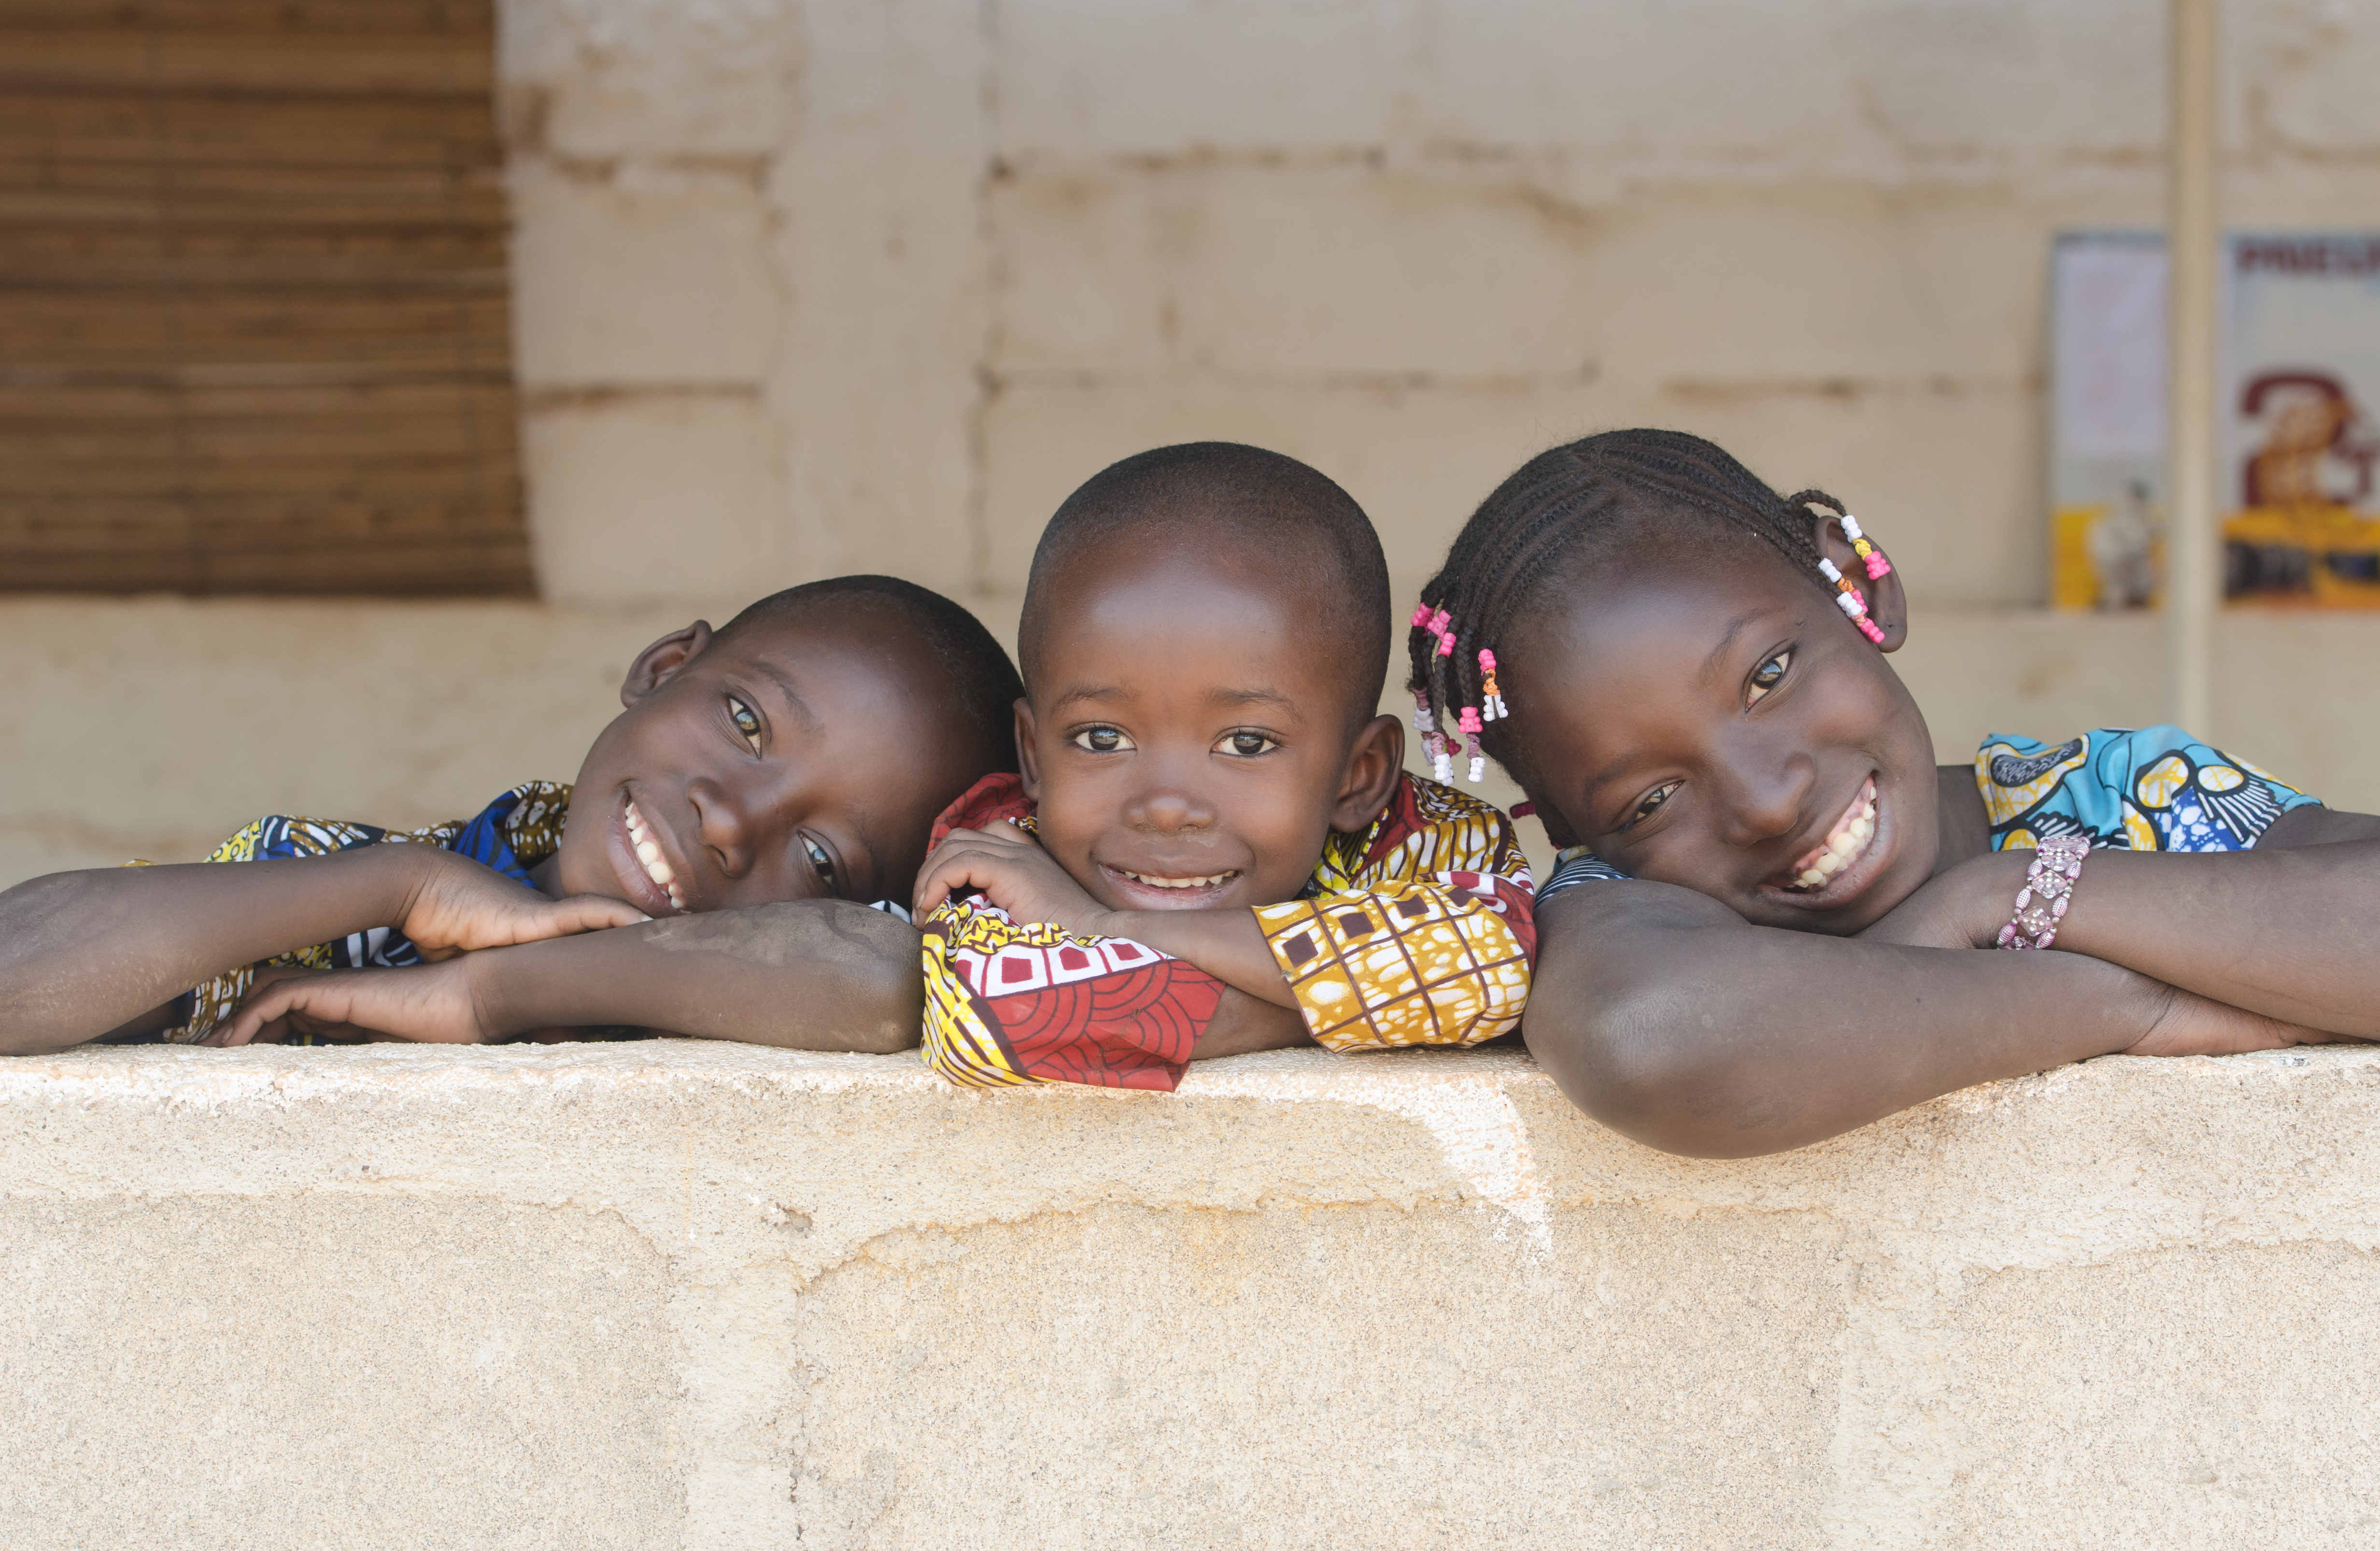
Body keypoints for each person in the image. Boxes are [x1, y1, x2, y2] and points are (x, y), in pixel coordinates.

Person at [1407, 428, 2380, 1158]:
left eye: (1768, 674)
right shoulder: (1616, 916)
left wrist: (2003, 894)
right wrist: (2122, 1004)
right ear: (1577, 834)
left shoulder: (2120, 802)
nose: (1765, 801)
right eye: (1649, 802)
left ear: (1852, 587)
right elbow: (1655, 1042)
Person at [0, 576, 1023, 1054]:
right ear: (664, 668)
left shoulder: (775, 988)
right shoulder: (352, 908)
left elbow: (882, 979)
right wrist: (401, 882)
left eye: (822, 856)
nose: (727, 821)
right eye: (746, 721)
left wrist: (496, 996)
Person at [908, 441, 1536, 1091]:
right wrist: (1375, 1005)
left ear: (1361, 775)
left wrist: (1105, 927)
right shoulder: (1004, 858)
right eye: (1101, 738)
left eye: (1245, 744)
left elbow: (1502, 958)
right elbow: (997, 1024)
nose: (1167, 805)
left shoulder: (1424, 835)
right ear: (1033, 755)